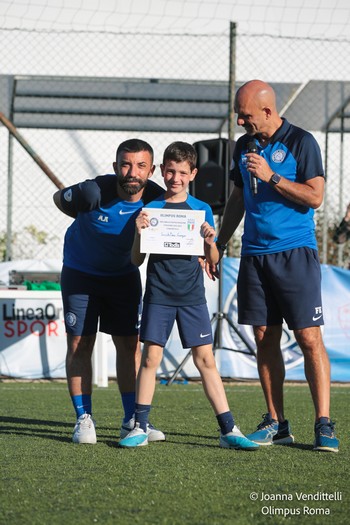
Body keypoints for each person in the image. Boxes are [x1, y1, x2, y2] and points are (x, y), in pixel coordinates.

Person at [211, 80, 339, 452]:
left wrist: (273, 176)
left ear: (267, 111)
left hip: (294, 253)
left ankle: (324, 423)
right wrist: (220, 243)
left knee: (308, 337)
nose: (239, 121)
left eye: (246, 115)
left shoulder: (302, 142)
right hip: (254, 254)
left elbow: (315, 197)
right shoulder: (242, 145)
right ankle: (275, 422)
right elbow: (238, 197)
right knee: (264, 336)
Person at [118, 141, 259, 450]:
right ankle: (139, 426)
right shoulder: (151, 209)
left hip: (192, 297)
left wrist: (211, 241)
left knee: (205, 359)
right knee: (151, 359)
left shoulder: (201, 209)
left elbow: (212, 259)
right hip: (158, 295)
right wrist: (139, 234)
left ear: (193, 173)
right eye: (170, 171)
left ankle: (228, 428)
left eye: (182, 172)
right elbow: (136, 260)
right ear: (162, 172)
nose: (175, 178)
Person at [53, 138, 166, 444]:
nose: (133, 172)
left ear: (151, 170)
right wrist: (84, 217)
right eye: (126, 164)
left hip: (124, 277)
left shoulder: (159, 199)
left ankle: (131, 420)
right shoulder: (93, 191)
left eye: (141, 166)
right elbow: (58, 198)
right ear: (116, 167)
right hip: (81, 274)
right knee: (80, 344)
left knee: (130, 346)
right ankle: (83, 418)